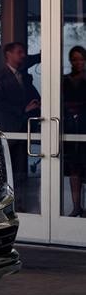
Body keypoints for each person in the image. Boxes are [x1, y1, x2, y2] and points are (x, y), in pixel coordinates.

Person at [0, 42, 41, 212]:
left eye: (23, 52)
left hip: (23, 130)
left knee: (21, 170)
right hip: (9, 130)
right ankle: (5, 206)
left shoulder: (24, 76)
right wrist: (23, 109)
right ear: (8, 54)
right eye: (19, 52)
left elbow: (32, 94)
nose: (23, 55)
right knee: (7, 170)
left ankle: (20, 205)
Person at [63, 45, 86, 216]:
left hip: (85, 125)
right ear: (70, 61)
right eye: (75, 59)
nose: (78, 62)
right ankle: (76, 206)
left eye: (81, 58)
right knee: (74, 168)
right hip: (70, 125)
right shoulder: (64, 79)